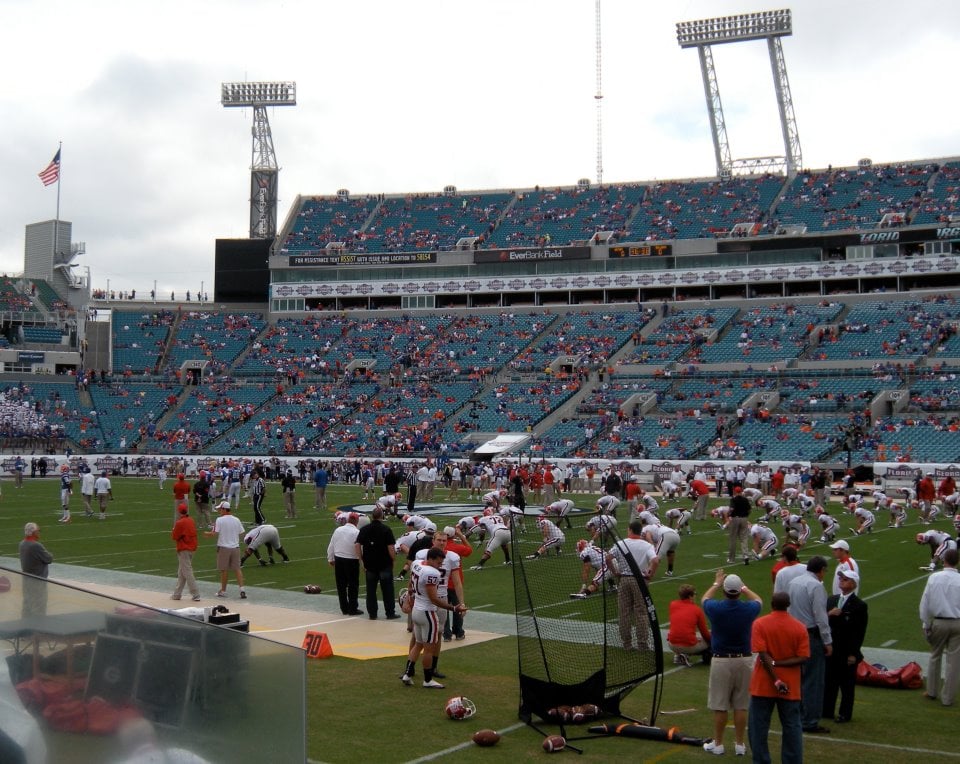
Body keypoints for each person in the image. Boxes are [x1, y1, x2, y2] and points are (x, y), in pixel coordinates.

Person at [700, 570, 762, 756]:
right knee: (741, 704)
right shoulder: (748, 609)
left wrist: (717, 583)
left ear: (725, 591)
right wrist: (744, 588)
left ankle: (718, 744)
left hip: (721, 660)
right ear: (738, 591)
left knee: (720, 704)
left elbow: (704, 598)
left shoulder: (716, 608)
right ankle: (740, 744)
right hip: (744, 659)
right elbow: (758, 599)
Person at [747, 591, 810, 764]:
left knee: (758, 728)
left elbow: (763, 655)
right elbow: (803, 657)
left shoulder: (760, 624)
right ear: (788, 605)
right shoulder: (799, 627)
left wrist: (775, 672)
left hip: (763, 685)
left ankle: (761, 760)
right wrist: (781, 667)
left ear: (771, 604)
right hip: (791, 685)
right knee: (792, 728)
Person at [400, 546, 466, 689]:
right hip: (427, 613)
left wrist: (408, 598)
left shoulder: (417, 564)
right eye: (438, 562)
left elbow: (411, 585)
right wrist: (454, 608)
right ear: (430, 559)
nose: (440, 565)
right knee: (429, 648)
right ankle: (428, 680)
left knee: (418, 644)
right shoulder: (431, 573)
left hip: (417, 609)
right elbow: (434, 599)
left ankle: (407, 674)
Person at [787, 556, 832, 733]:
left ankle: (795, 715)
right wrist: (827, 640)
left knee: (796, 677)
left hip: (794, 634)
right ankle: (810, 720)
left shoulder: (794, 582)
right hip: (810, 635)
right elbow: (821, 616)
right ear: (820, 570)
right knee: (813, 680)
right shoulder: (816, 586)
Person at [606, 520, 659, 651]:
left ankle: (627, 644)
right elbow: (655, 560)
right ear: (640, 531)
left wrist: (615, 572)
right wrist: (650, 573)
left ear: (630, 530)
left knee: (624, 612)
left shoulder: (620, 544)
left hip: (624, 579)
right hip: (640, 580)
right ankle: (642, 643)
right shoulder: (646, 545)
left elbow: (608, 558)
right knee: (641, 612)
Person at [823, 569, 867, 722]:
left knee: (847, 685)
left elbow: (859, 631)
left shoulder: (859, 605)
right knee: (830, 681)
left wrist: (853, 653)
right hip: (831, 648)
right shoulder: (831, 600)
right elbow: (823, 622)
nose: (841, 581)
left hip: (846, 650)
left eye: (846, 579)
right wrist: (830, 614)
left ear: (853, 584)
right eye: (841, 578)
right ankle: (827, 710)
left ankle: (845, 713)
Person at [919, 547, 960, 706]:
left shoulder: (934, 578)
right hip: (957, 622)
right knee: (954, 661)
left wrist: (926, 623)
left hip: (939, 621)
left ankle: (932, 691)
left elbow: (925, 603)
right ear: (957, 562)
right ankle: (948, 698)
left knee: (935, 655)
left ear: (944, 560)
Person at [355, 507, 400, 621]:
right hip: (384, 563)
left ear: (372, 516)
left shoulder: (364, 529)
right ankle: (390, 613)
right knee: (388, 590)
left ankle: (372, 614)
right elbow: (390, 547)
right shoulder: (386, 529)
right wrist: (393, 559)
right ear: (382, 516)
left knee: (371, 590)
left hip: (369, 564)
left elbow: (357, 545)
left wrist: (361, 560)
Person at [205, 500, 246, 599]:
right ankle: (242, 590)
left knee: (224, 570)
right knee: (237, 569)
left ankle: (223, 590)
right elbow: (242, 533)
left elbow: (214, 533)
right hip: (235, 547)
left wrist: (206, 534)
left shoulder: (220, 520)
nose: (219, 511)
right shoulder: (236, 519)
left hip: (224, 548)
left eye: (220, 509)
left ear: (224, 509)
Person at [666, 584, 711, 667]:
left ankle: (679, 655)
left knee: (686, 636)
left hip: (671, 644)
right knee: (709, 638)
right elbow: (705, 633)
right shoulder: (697, 610)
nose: (695, 596)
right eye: (694, 594)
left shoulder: (673, 604)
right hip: (688, 646)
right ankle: (686, 654)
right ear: (690, 596)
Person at [327, 513, 363, 615]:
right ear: (356, 521)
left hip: (339, 559)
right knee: (353, 585)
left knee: (341, 585)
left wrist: (330, 558)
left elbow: (331, 545)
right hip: (351, 560)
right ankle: (352, 608)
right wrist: (362, 561)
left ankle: (344, 608)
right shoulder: (357, 532)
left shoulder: (338, 530)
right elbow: (359, 548)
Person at [19, 522, 53, 617]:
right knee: (39, 606)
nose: (39, 533)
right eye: (38, 531)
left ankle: (25, 626)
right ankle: (38, 628)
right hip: (38, 581)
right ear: (34, 532)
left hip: (26, 580)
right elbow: (49, 558)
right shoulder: (36, 546)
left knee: (27, 605)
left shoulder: (22, 544)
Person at [170, 504, 201, 602]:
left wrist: (174, 530)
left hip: (184, 549)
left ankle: (196, 594)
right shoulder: (191, 520)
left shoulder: (180, 523)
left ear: (179, 512)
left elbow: (174, 536)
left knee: (187, 571)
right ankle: (177, 594)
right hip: (192, 548)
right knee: (182, 572)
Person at [728, 487, 752, 566]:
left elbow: (731, 509)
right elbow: (749, 510)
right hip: (744, 519)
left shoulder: (733, 499)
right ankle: (745, 555)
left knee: (733, 539)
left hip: (735, 518)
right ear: (741, 492)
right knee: (744, 538)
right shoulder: (745, 500)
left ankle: (731, 559)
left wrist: (729, 514)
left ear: (735, 491)